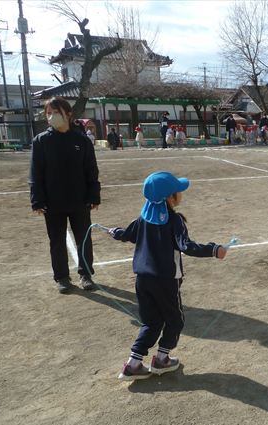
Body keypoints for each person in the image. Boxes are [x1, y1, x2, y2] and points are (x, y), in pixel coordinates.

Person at [109, 171, 228, 380]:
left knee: (151, 322)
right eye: (178, 192)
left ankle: (133, 364)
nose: (181, 194)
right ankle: (162, 359)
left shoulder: (143, 218)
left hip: (142, 280)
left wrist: (115, 232)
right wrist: (213, 249)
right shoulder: (174, 220)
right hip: (166, 281)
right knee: (175, 320)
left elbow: (128, 234)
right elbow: (186, 246)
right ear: (170, 198)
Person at [29, 96, 100, 293]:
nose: (51, 116)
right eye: (48, 113)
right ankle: (61, 277)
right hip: (52, 202)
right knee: (57, 241)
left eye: (56, 112)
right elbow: (35, 173)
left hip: (80, 200)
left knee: (83, 239)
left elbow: (91, 170)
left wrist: (94, 195)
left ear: (68, 114)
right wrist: (37, 200)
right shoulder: (41, 141)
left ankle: (86, 274)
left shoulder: (82, 141)